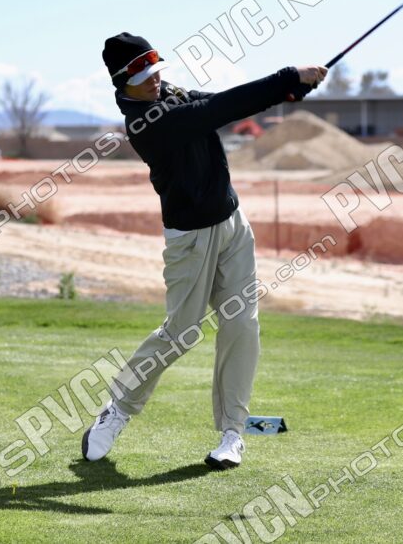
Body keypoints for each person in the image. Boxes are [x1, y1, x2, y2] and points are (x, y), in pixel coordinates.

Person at [81, 33, 326, 469]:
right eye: (143, 76)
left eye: (156, 70)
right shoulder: (144, 123)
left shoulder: (170, 95)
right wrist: (287, 76)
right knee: (181, 333)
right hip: (190, 239)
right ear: (122, 82)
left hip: (233, 225)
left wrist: (287, 91)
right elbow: (215, 111)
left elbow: (219, 101)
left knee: (242, 325)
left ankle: (233, 432)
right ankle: (119, 407)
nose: (154, 80)